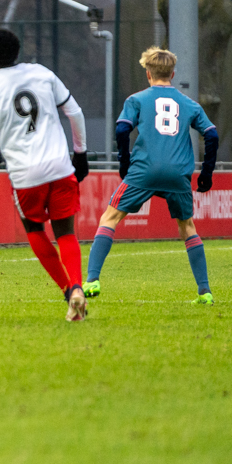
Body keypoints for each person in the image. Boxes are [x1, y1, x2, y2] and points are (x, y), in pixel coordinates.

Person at [0, 28, 90, 322]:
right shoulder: (42, 73)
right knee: (66, 233)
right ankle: (76, 287)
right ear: (18, 51)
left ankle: (66, 289)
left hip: (25, 174)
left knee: (34, 230)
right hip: (60, 166)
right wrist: (81, 153)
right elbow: (75, 113)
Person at [83, 47, 219, 304]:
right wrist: (206, 173)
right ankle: (205, 292)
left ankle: (92, 280)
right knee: (187, 226)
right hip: (178, 172)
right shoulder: (188, 103)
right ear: (173, 73)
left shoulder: (136, 100)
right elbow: (211, 134)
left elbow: (122, 129)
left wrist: (125, 162)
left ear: (148, 74)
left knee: (110, 216)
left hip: (144, 169)